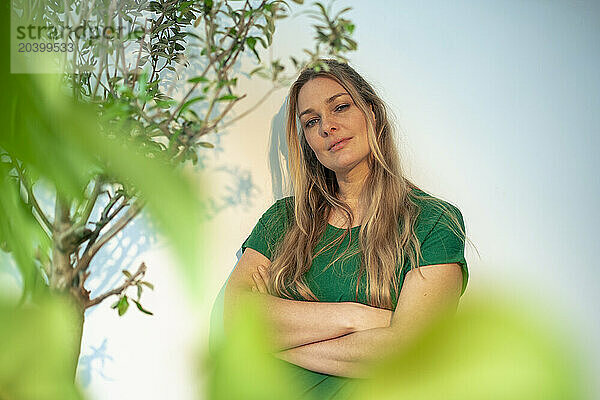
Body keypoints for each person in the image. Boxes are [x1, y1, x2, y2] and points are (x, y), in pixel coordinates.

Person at [222, 59, 468, 398]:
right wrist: (357, 318)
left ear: (372, 113)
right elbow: (236, 321)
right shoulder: (283, 221)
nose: (327, 127)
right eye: (311, 122)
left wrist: (274, 342)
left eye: (340, 107)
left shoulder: (432, 222)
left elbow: (410, 352)